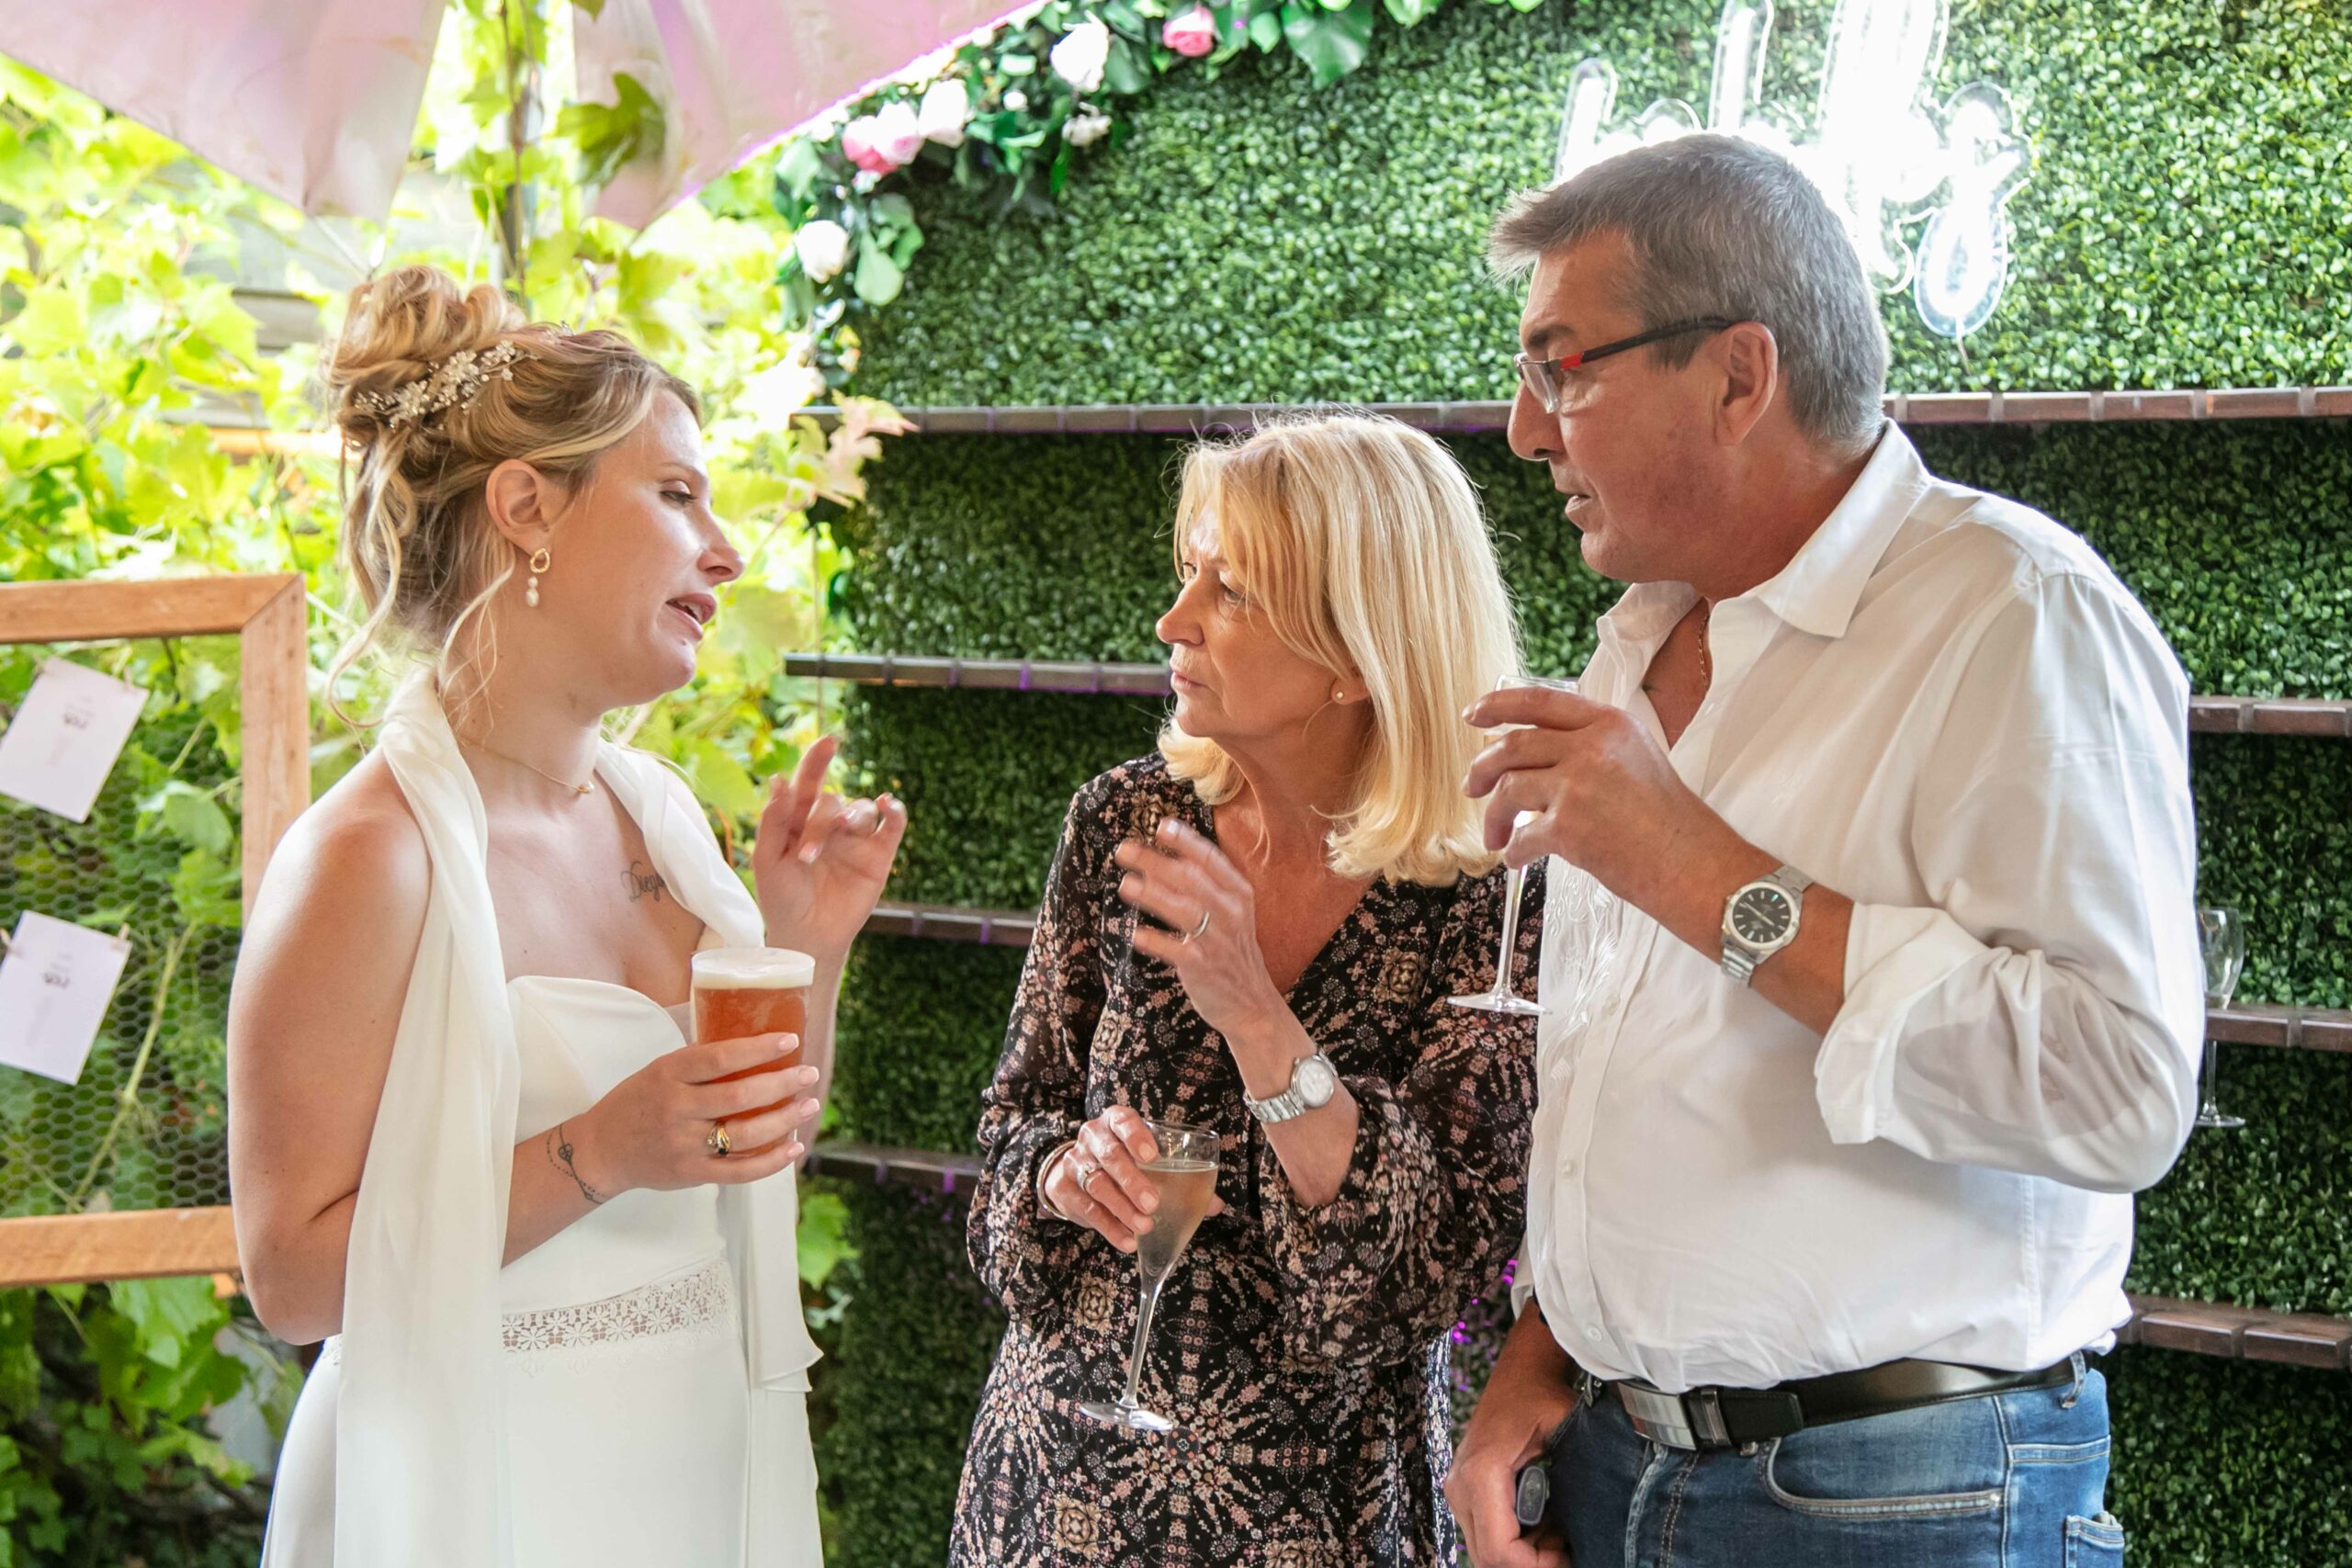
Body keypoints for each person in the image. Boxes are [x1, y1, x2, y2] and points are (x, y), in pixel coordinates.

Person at [1445, 134, 2199, 1568]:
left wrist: (1699, 869)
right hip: (1608, 1460)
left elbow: (2120, 1085)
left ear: (1739, 376)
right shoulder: (1640, 637)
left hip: (1906, 1494)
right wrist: (1541, 1357)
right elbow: (1647, 1090)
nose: (1528, 429)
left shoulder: (2016, 613)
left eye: (1563, 367)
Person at [226, 265, 905, 1568]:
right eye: (677, 493)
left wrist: (802, 947)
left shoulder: (660, 821)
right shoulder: (368, 860)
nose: (727, 548)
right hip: (476, 1489)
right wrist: (600, 1147)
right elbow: (293, 1279)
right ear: (527, 507)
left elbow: (746, 1145)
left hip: (687, 1466)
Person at [953, 412, 1544, 1565]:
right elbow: (1010, 1143)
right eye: (1190, 574)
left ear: (1357, 652)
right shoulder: (1123, 819)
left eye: (1230, 592)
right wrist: (1064, 1179)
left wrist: (1255, 1016)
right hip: (1050, 1495)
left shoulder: (1495, 886)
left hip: (1319, 1517)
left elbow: (1422, 1276)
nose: (1174, 621)